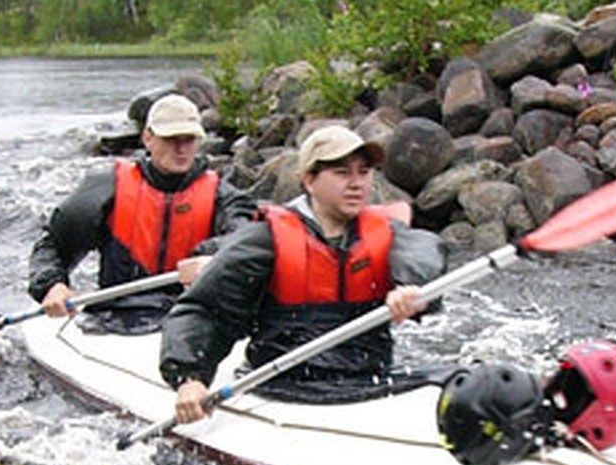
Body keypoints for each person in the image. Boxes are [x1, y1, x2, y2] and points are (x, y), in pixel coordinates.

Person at [160, 124, 451, 424]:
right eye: (342, 173)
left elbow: (425, 249)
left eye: (363, 172)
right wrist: (190, 377)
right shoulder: (263, 240)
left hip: (368, 378)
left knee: (470, 378)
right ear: (309, 180)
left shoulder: (387, 233)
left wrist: (412, 289)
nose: (356, 184)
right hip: (288, 386)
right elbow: (205, 309)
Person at [27, 93, 257, 330]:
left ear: (199, 141)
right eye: (171, 138)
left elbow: (246, 239)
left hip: (194, 314)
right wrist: (52, 285)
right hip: (115, 316)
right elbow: (52, 246)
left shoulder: (224, 196)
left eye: (188, 139)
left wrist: (212, 255)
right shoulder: (105, 188)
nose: (181, 148)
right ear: (148, 138)